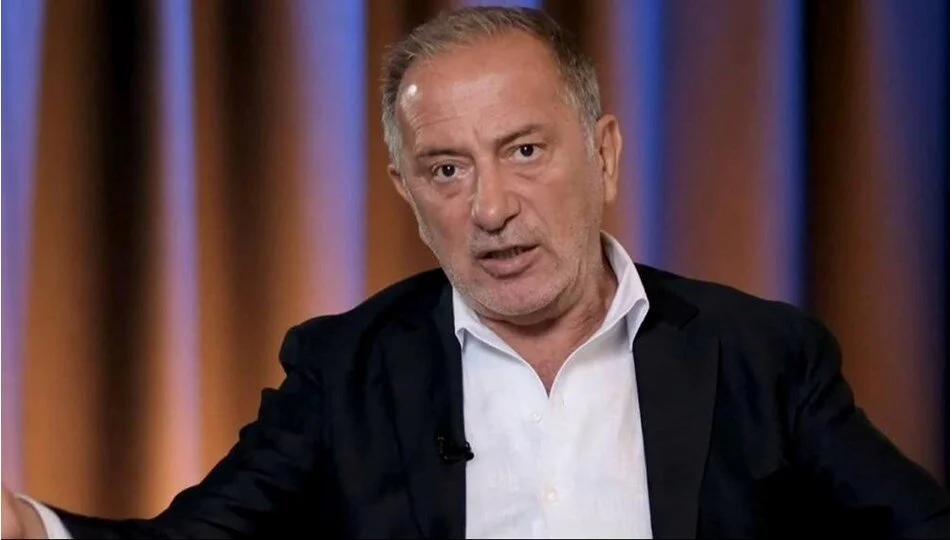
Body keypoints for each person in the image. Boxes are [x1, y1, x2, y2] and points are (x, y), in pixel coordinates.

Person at [2, 6, 948, 539]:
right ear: (407, 192)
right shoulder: (346, 369)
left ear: (605, 156)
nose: (490, 207)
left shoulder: (761, 356)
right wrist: (30, 529)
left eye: (525, 151)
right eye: (447, 170)